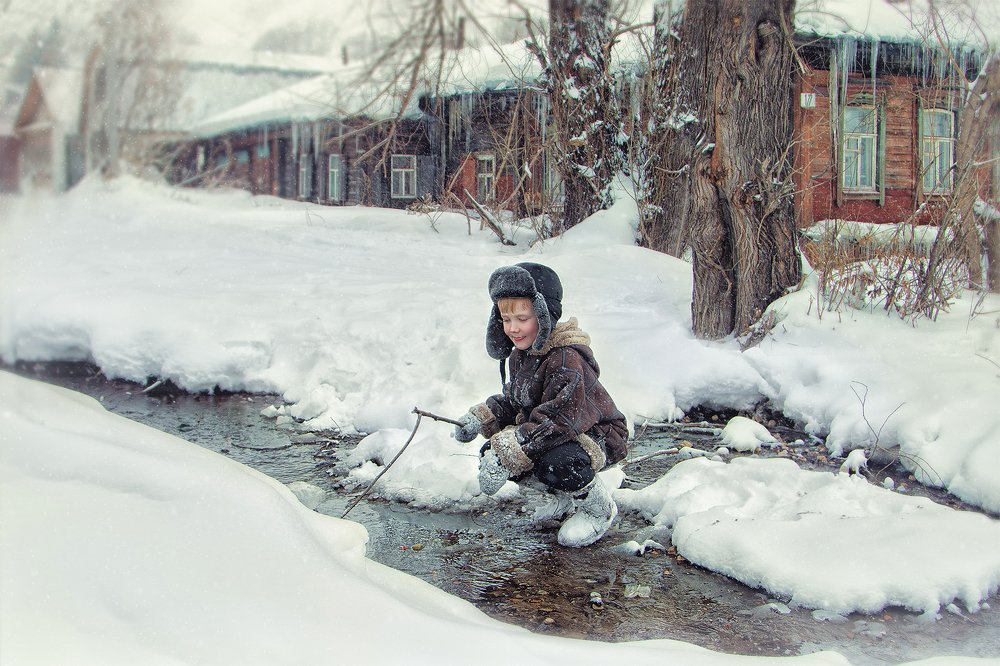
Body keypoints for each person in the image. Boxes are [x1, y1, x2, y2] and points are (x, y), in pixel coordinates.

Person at [454, 262, 628, 547]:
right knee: (494, 450)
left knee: (555, 459)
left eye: (522, 318)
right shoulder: (521, 355)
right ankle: (561, 500)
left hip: (599, 433)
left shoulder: (565, 359)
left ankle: (597, 508)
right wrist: (481, 418)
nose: (513, 328)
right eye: (505, 319)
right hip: (559, 431)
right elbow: (515, 402)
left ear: (545, 314)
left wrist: (506, 453)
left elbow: (558, 422)